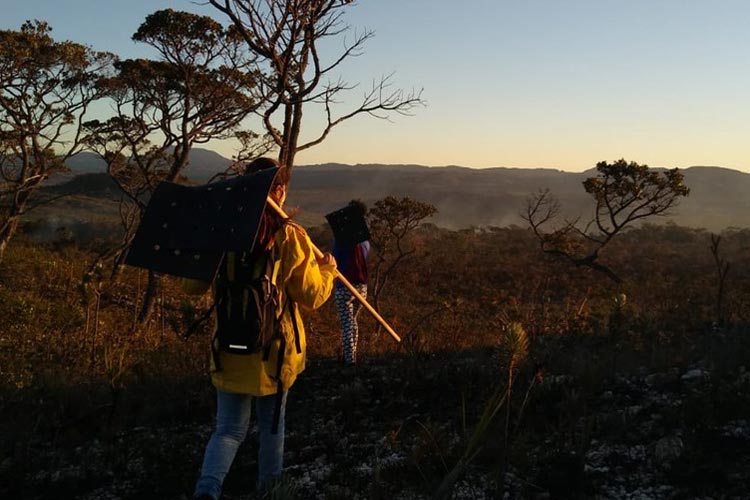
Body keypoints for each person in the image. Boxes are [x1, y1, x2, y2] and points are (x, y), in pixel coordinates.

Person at [186, 157, 337, 500]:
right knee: (272, 428)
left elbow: (191, 287)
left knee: (227, 430)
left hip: (229, 350)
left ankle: (206, 491)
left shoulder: (222, 230)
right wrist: (327, 269)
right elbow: (312, 295)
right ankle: (270, 489)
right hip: (275, 354)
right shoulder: (287, 235)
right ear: (280, 190)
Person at [331, 200, 370, 366]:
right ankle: (352, 356)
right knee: (353, 322)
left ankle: (350, 361)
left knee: (347, 325)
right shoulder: (365, 241)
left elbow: (334, 261)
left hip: (344, 287)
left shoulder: (342, 239)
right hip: (361, 287)